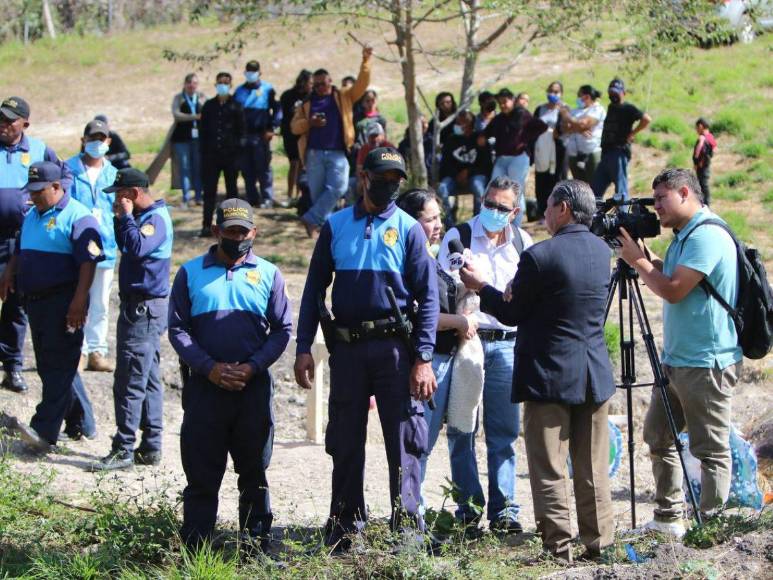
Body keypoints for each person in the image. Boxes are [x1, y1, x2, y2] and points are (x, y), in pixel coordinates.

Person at [459, 179, 615, 563]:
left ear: (563, 208)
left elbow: (511, 312)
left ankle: (558, 549)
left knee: (549, 467)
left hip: (548, 374)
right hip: (594, 372)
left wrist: (482, 287)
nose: (542, 213)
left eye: (547, 206)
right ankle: (600, 545)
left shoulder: (540, 256)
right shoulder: (602, 251)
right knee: (592, 466)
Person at [294, 147, 438, 550]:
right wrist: (304, 345)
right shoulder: (336, 225)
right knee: (344, 438)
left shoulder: (409, 229)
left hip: (395, 350)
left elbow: (428, 299)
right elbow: (313, 290)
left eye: (396, 180)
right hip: (348, 350)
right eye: (382, 178)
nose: (389, 185)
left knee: (405, 441)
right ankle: (344, 525)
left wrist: (423, 357)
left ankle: (407, 527)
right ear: (363, 177)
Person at [617, 168, 742, 539]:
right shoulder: (683, 236)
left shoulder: (706, 235)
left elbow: (673, 290)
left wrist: (636, 263)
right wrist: (645, 258)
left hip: (706, 362)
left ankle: (712, 529)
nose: (655, 208)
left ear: (685, 193)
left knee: (710, 449)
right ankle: (670, 519)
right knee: (657, 435)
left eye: (661, 200)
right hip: (675, 361)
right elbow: (669, 275)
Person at [169, 198, 292, 549]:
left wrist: (252, 367)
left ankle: (255, 547)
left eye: (243, 231)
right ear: (216, 231)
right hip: (204, 388)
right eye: (230, 231)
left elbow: (283, 329)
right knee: (202, 474)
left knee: (254, 471)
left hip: (251, 388)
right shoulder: (190, 272)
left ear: (253, 231)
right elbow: (178, 330)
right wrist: (209, 369)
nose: (238, 237)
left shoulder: (268, 273)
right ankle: (196, 547)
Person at [436, 175, 534, 534]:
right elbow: (442, 287)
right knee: (462, 428)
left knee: (504, 432)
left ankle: (505, 509)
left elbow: (524, 299)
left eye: (501, 207)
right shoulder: (457, 237)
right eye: (488, 203)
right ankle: (468, 507)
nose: (492, 211)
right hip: (468, 344)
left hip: (508, 343)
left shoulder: (524, 243)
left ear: (515, 212)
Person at [0, 162, 101, 449]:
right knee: (52, 364)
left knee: (58, 366)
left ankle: (43, 431)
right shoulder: (33, 215)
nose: (32, 197)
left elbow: (88, 262)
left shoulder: (79, 217)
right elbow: (21, 249)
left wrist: (79, 300)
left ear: (57, 187)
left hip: (64, 300)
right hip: (36, 302)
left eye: (38, 191)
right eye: (30, 191)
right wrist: (9, 273)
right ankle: (82, 421)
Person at [394, 189, 478, 509]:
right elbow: (420, 316)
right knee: (418, 445)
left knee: (428, 444)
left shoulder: (430, 258)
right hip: (425, 361)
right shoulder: (409, 262)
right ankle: (411, 515)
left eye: (439, 217)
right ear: (412, 224)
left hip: (443, 360)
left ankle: (417, 512)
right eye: (430, 219)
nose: (439, 225)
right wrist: (459, 322)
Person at [91, 169, 173, 471]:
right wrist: (119, 219)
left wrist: (124, 217)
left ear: (134, 192)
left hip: (144, 311)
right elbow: (126, 245)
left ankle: (123, 448)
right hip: (139, 308)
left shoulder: (155, 219)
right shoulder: (144, 217)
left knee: (129, 379)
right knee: (148, 377)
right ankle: (150, 445)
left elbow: (137, 248)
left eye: (120, 193)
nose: (116, 198)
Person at [0, 96, 72, 394]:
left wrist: (52, 202)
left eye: (9, 120)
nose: (3, 125)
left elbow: (64, 176)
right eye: (0, 120)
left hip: (21, 237)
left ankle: (12, 366)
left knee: (15, 303)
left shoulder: (40, 150)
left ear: (24, 124)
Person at [291, 46, 373, 237]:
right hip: (313, 153)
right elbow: (294, 127)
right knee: (319, 196)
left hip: (337, 151)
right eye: (317, 85)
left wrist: (366, 61)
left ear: (330, 81)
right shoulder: (307, 103)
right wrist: (310, 122)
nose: (321, 87)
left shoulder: (342, 96)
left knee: (338, 188)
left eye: (324, 83)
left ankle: (310, 218)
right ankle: (325, 231)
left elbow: (362, 84)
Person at [66, 118, 118, 373]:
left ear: (108, 142)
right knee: (78, 299)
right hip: (76, 248)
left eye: (101, 139)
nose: (96, 143)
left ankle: (98, 351)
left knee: (101, 302)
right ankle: (79, 350)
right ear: (83, 140)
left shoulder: (113, 173)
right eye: (92, 138)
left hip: (106, 246)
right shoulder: (68, 169)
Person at [484, 89, 547, 224]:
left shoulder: (522, 114)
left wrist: (525, 141)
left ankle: (516, 225)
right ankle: (494, 221)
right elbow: (486, 133)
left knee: (516, 190)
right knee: (493, 188)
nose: (502, 105)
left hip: (518, 158)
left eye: (505, 101)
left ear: (512, 100)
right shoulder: (499, 118)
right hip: (501, 159)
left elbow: (541, 126)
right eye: (500, 103)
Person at [199, 72, 245, 237]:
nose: (222, 85)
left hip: (230, 157)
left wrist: (238, 155)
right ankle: (206, 225)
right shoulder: (209, 106)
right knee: (209, 192)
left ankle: (233, 225)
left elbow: (241, 133)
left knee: (232, 191)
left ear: (230, 85)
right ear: (215, 84)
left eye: (226, 82)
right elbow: (203, 131)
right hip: (211, 157)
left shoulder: (237, 106)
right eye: (220, 82)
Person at [591, 78, 651, 202]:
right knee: (594, 190)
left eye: (616, 93)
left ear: (623, 93)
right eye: (611, 93)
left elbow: (646, 119)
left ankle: (624, 218)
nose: (613, 96)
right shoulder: (611, 107)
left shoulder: (628, 108)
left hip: (618, 153)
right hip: (606, 153)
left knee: (621, 190)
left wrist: (632, 133)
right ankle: (591, 217)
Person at [234, 60, 281, 208]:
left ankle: (267, 197)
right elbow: (234, 113)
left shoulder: (267, 89)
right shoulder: (239, 91)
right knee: (247, 168)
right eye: (248, 71)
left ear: (259, 73)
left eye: (253, 71)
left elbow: (278, 110)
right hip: (244, 136)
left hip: (261, 136)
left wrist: (272, 128)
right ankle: (251, 197)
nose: (251, 73)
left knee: (264, 168)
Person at [437, 110, 492, 223]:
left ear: (468, 125)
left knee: (478, 188)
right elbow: (445, 164)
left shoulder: (479, 140)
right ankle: (449, 224)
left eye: (460, 123)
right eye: (456, 122)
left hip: (476, 175)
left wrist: (468, 172)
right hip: (453, 176)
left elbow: (485, 165)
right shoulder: (451, 140)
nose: (456, 126)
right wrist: (456, 175)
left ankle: (478, 223)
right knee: (442, 189)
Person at [532, 82, 568, 221]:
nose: (553, 94)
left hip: (559, 150)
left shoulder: (564, 109)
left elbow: (567, 126)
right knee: (541, 180)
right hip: (542, 150)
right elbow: (533, 127)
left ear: (561, 93)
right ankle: (543, 212)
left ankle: (560, 213)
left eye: (556, 91)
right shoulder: (540, 109)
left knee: (558, 180)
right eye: (551, 91)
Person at [170, 73, 205, 207]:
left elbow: (207, 112)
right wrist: (194, 117)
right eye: (189, 83)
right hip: (181, 139)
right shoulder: (179, 98)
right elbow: (176, 114)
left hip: (198, 139)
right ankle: (186, 198)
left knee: (198, 167)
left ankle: (198, 196)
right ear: (184, 84)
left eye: (194, 83)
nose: (192, 86)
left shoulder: (201, 97)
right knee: (184, 168)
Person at [560, 85, 605, 184]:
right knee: (580, 188)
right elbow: (564, 128)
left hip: (591, 153)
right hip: (574, 154)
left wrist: (567, 117)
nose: (577, 98)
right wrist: (579, 129)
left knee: (594, 187)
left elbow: (584, 124)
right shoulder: (575, 111)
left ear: (587, 97)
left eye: (579, 95)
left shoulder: (597, 109)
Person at [280, 70, 313, 202]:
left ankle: (299, 195)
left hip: (304, 135)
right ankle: (289, 194)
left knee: (302, 165)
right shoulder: (287, 95)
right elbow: (285, 114)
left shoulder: (311, 96)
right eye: (310, 83)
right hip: (290, 134)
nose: (312, 85)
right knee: (293, 164)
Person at [351, 123, 394, 203]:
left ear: (382, 135)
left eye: (376, 135)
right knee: (352, 183)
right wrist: (361, 181)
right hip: (368, 177)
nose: (374, 139)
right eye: (371, 136)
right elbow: (359, 168)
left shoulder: (389, 148)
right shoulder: (364, 149)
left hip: (385, 179)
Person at [693, 117, 716, 206]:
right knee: (703, 184)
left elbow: (698, 152)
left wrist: (697, 163)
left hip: (701, 166)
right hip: (706, 165)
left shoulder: (702, 138)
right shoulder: (710, 137)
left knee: (702, 185)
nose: (696, 130)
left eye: (697, 127)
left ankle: (705, 204)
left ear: (701, 126)